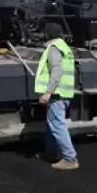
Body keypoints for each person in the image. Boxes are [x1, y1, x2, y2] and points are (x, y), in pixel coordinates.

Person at [35, 22, 79, 170]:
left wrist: (48, 92)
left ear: (48, 34)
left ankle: (69, 158)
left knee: (57, 124)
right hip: (63, 93)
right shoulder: (64, 46)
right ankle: (51, 152)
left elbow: (56, 71)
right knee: (52, 123)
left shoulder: (53, 48)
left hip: (57, 93)